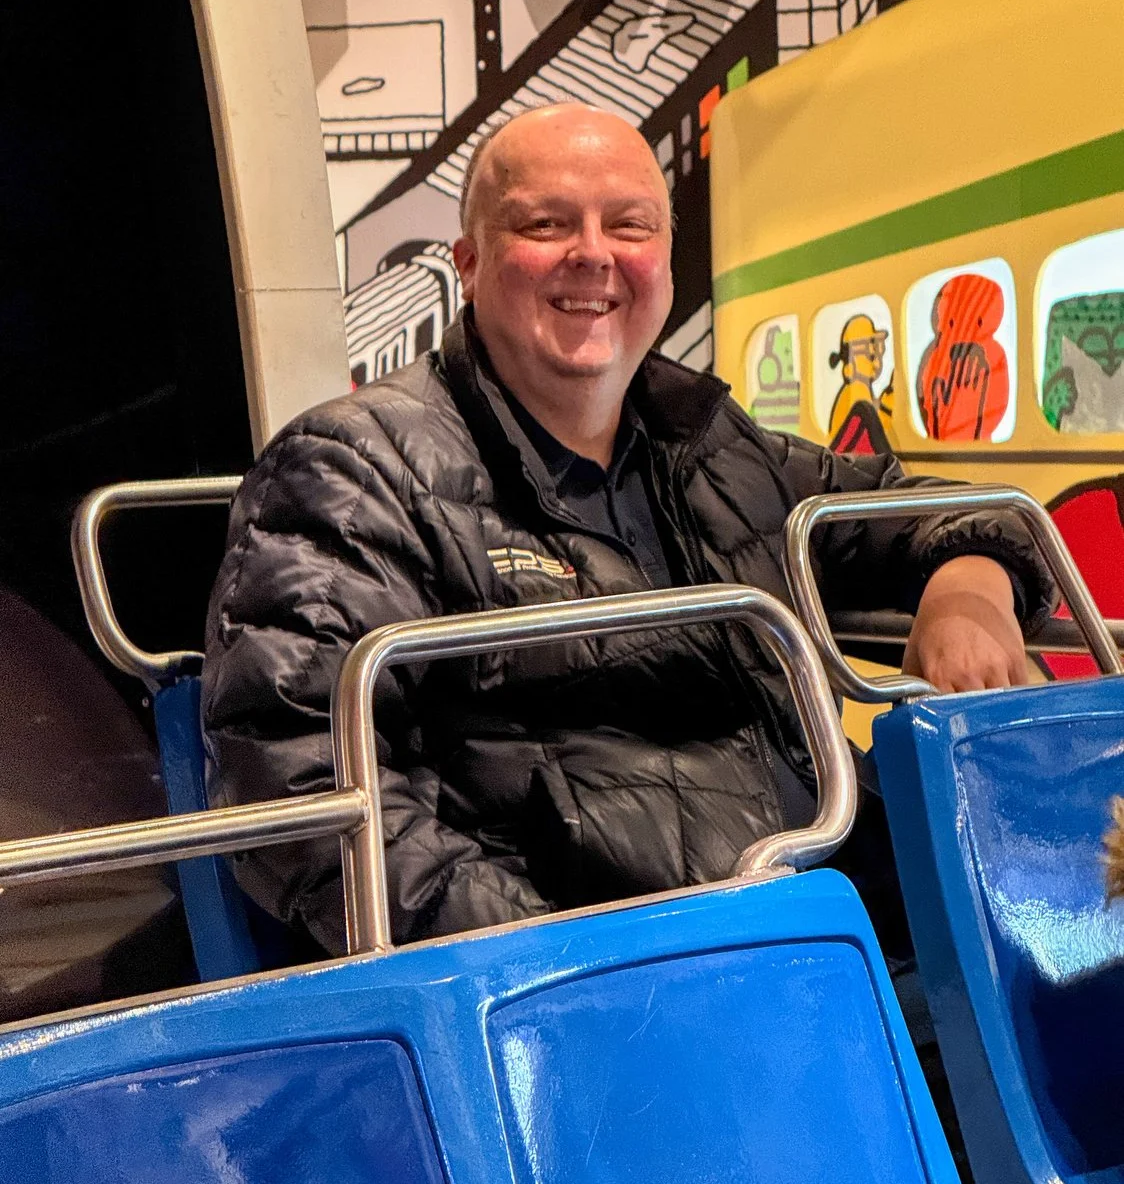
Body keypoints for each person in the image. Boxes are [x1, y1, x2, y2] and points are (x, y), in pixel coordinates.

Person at [202, 103, 1054, 956]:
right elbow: (301, 787)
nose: (594, 254)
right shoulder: (355, 471)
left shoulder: (711, 444)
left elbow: (929, 504)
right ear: (469, 263)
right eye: (545, 223)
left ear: (666, 262)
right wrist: (566, 971)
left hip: (840, 916)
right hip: (639, 981)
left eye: (629, 224)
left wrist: (966, 588)